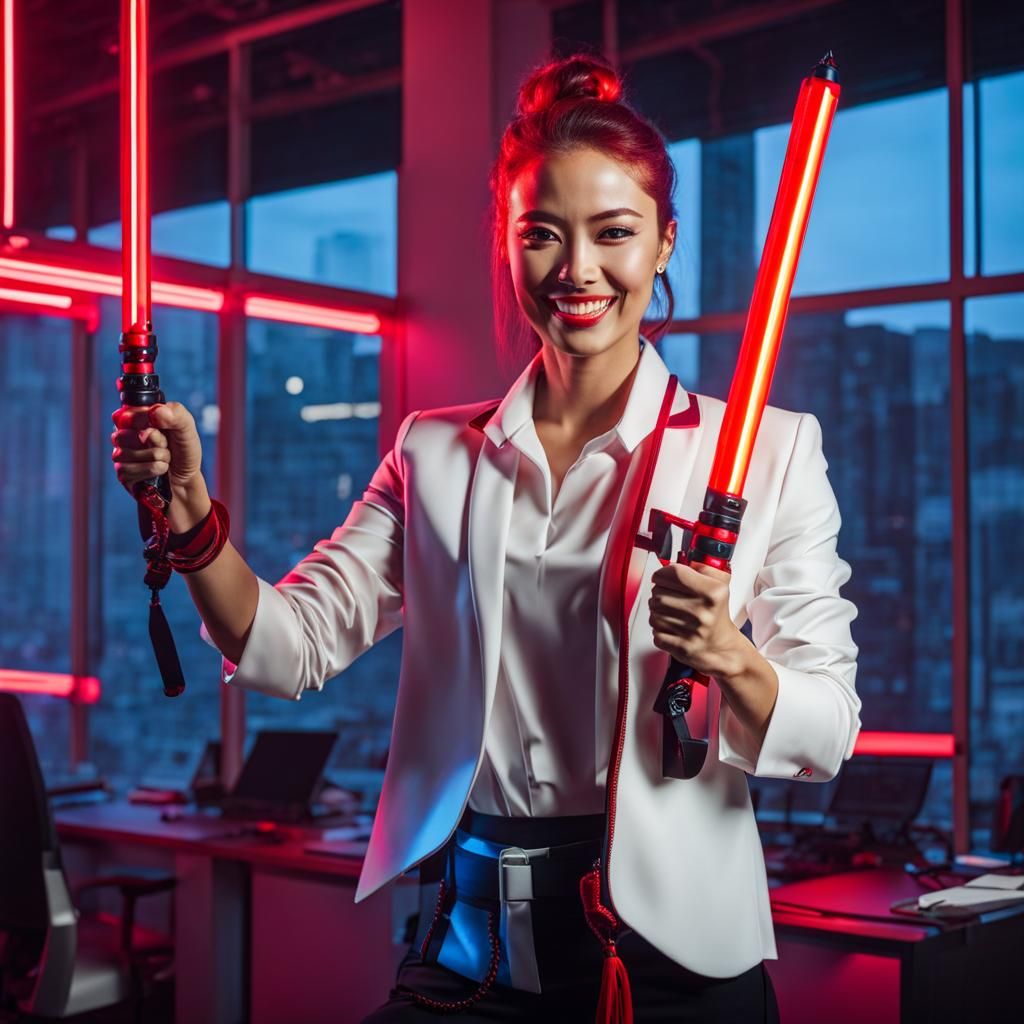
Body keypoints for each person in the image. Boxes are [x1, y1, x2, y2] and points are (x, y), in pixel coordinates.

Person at [111, 53, 860, 1024]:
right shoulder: (434, 453)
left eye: (615, 233)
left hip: (673, 963)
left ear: (664, 242)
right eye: (541, 234)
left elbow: (828, 726)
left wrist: (730, 657)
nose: (578, 270)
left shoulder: (769, 450)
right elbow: (283, 647)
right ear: (506, 246)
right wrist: (189, 515)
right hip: (470, 941)